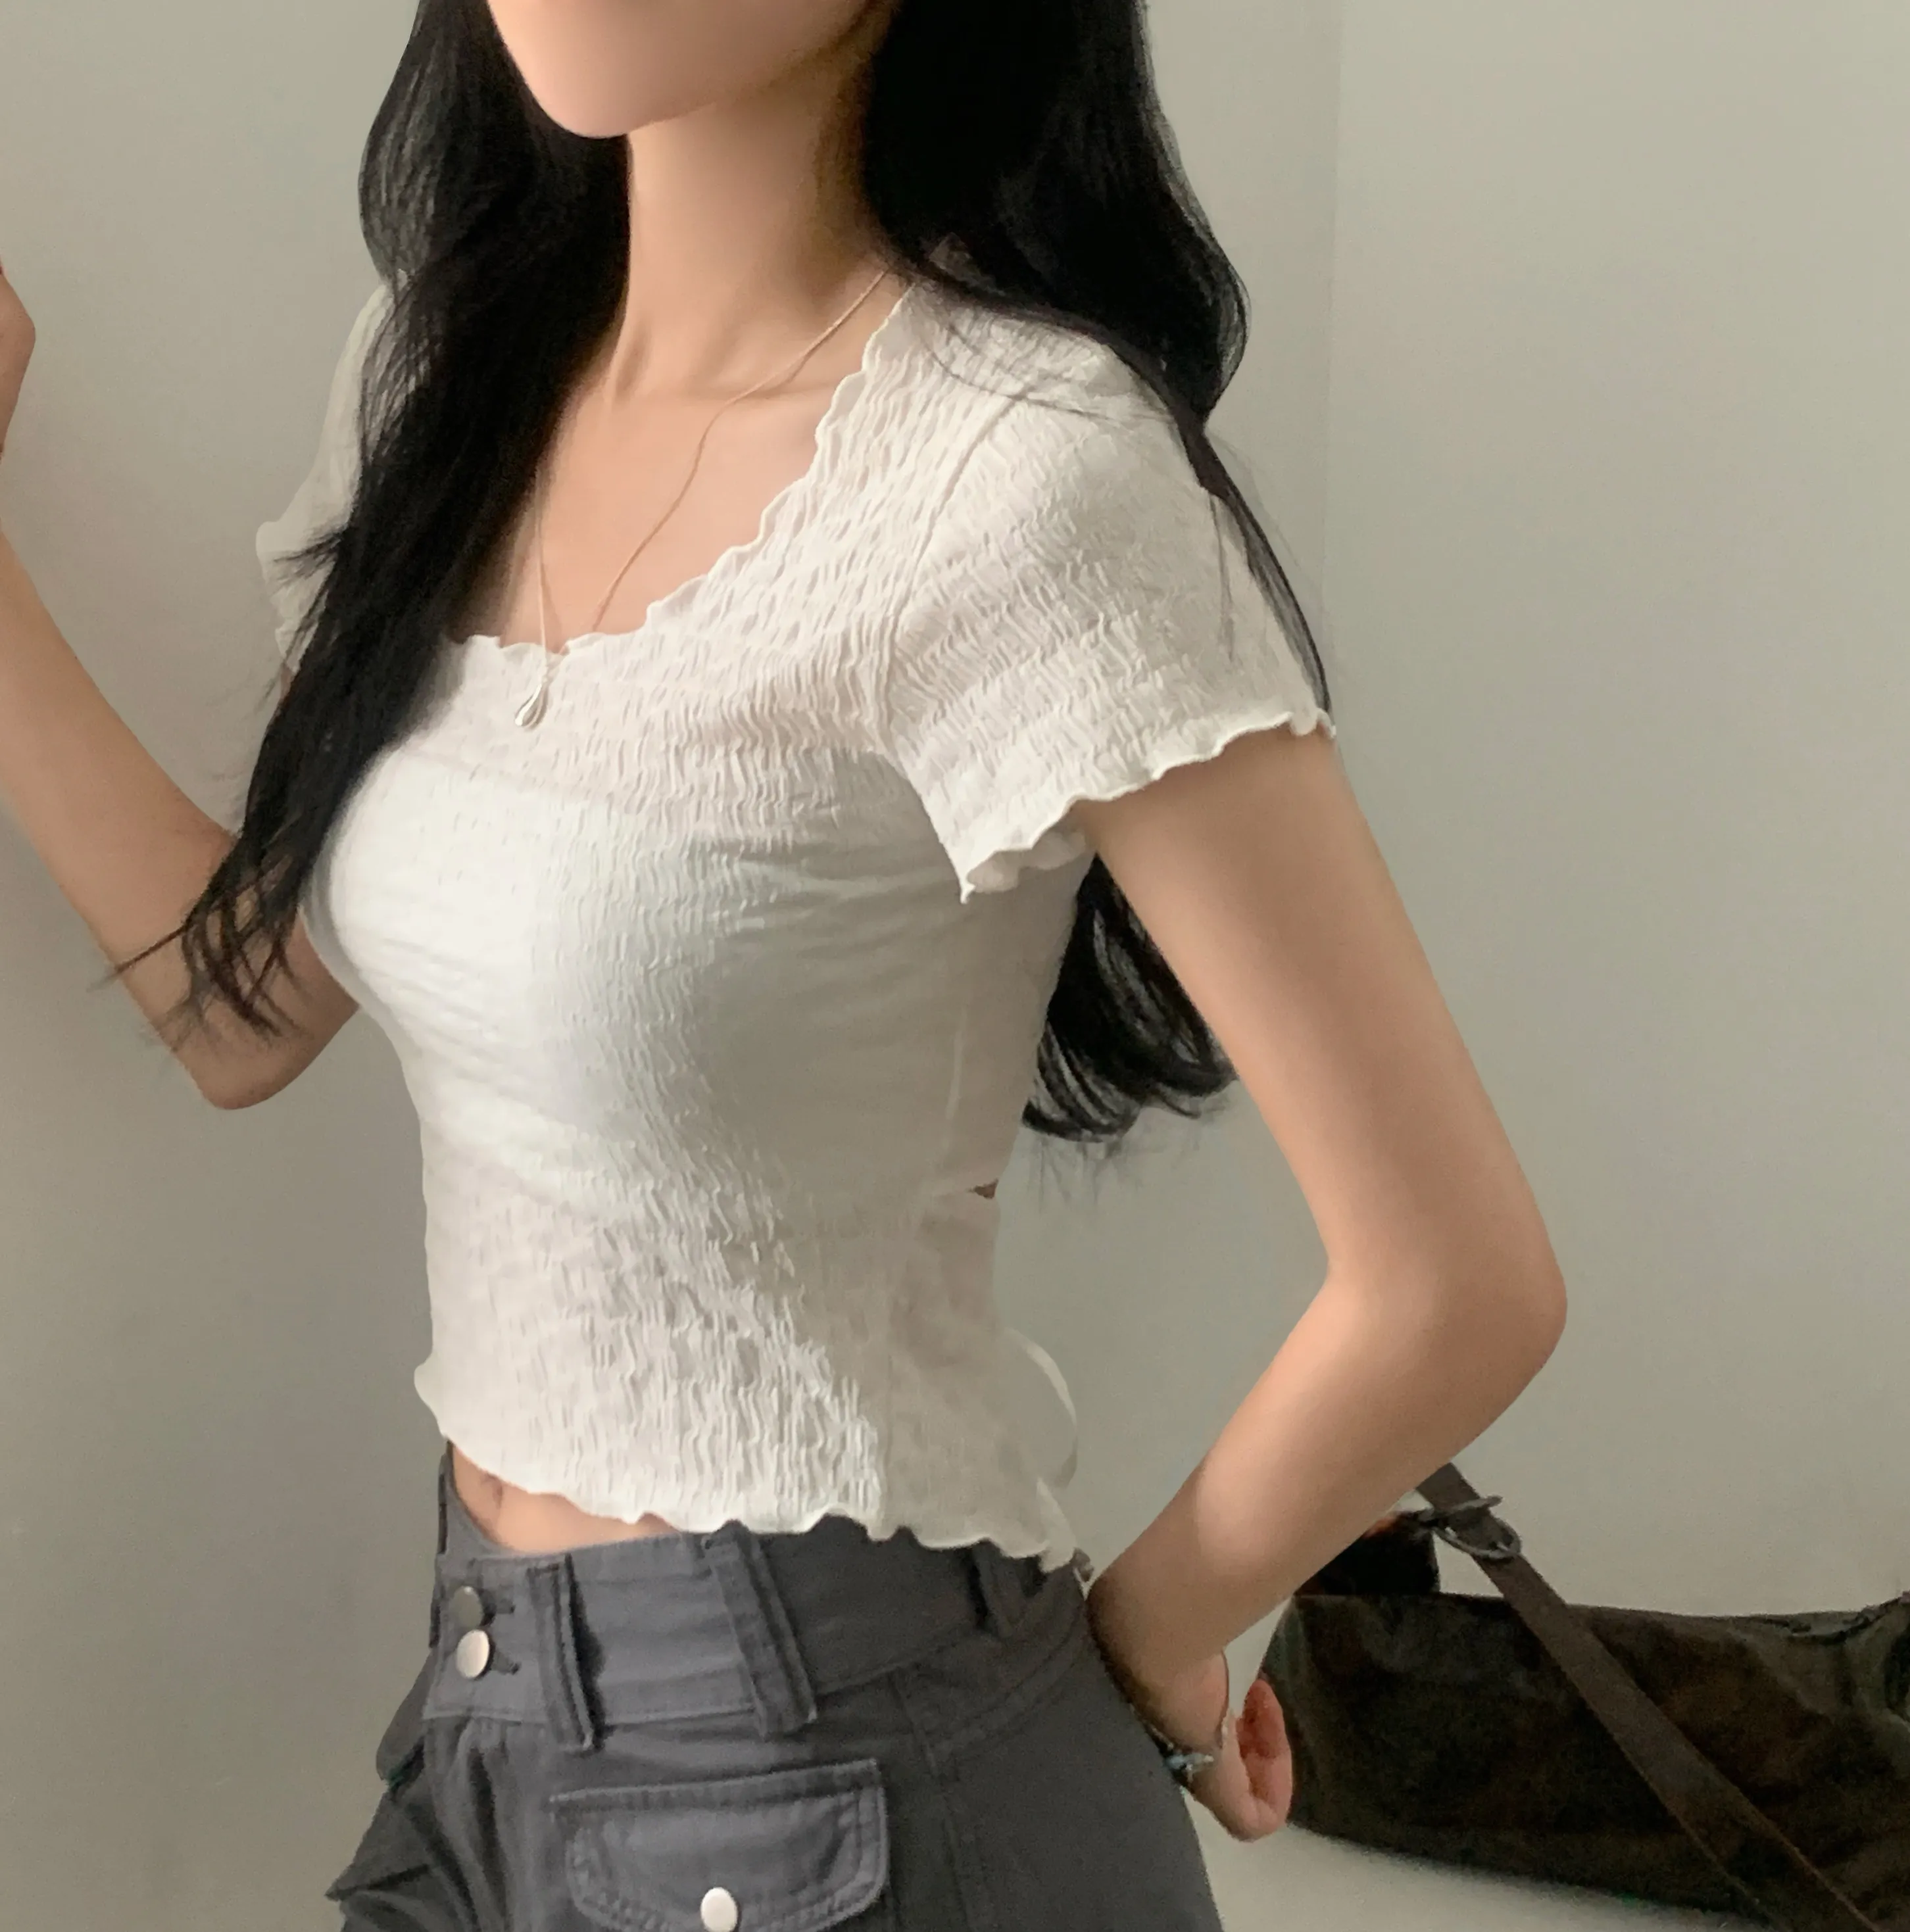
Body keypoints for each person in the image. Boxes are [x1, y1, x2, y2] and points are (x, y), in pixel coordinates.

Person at [0, 0, 1569, 1925]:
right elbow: (244, 1014)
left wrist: (1152, 1644)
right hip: (485, 1716)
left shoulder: (1021, 473)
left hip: (851, 1759)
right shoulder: (441, 377)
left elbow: (1455, 1283)